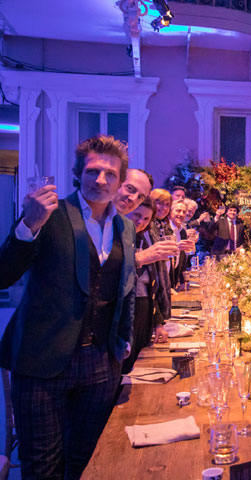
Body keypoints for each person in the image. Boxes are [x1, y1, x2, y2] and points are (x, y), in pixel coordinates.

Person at [0, 135, 136, 478]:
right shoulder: (49, 214)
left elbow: (124, 289)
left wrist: (121, 342)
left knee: (89, 462)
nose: (100, 179)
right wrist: (28, 223)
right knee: (44, 467)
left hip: (101, 364)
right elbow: (3, 274)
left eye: (110, 174)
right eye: (92, 171)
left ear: (120, 182)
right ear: (78, 174)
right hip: (44, 363)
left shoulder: (126, 227)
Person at [122, 197, 175, 373]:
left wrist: (158, 322)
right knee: (125, 368)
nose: (140, 222)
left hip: (144, 308)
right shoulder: (118, 236)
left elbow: (151, 286)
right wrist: (139, 259)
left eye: (146, 219)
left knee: (139, 364)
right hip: (126, 313)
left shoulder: (145, 237)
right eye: (137, 215)